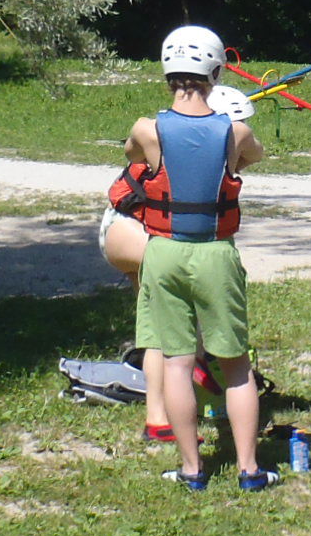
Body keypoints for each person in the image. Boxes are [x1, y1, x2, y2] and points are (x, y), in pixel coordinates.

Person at [120, 29, 270, 492]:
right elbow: (254, 157)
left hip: (162, 252)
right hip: (215, 254)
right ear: (217, 73)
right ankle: (248, 469)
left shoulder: (148, 129)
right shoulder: (235, 130)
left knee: (177, 363)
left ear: (167, 73)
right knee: (236, 366)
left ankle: (192, 469)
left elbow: (133, 160)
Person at [102, 84, 258, 441]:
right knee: (183, 303)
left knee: (161, 324)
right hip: (127, 230)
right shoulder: (184, 139)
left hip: (148, 236)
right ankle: (196, 364)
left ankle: (162, 414)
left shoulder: (171, 135)